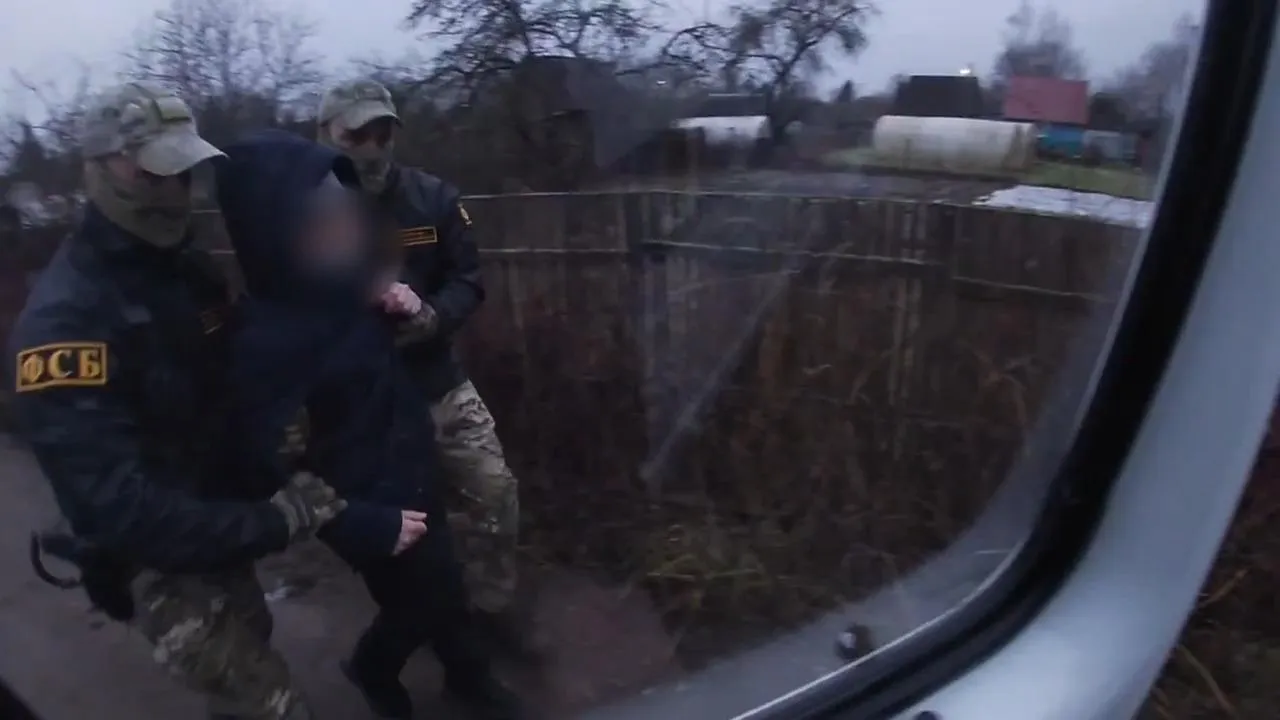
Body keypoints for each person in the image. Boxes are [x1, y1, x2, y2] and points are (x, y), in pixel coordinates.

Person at [7, 82, 348, 720]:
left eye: (185, 172)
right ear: (100, 169)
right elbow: (118, 508)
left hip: (215, 516)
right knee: (270, 705)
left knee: (251, 637)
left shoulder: (187, 269)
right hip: (150, 558)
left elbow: (224, 381)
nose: (176, 192)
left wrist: (281, 423)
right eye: (153, 173)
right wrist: (278, 519)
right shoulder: (66, 325)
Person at [213, 129, 524, 720]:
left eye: (344, 211)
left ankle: (468, 678)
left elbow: (426, 318)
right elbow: (271, 467)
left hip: (412, 471)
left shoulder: (347, 289)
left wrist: (406, 305)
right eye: (323, 218)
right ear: (276, 230)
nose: (347, 228)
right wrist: (361, 523)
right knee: (418, 603)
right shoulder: (265, 344)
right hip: (368, 506)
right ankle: (375, 669)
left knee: (445, 587)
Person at [316, 78, 534, 655]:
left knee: (495, 493)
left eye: (382, 131)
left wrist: (430, 314)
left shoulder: (432, 197)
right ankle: (421, 629)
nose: (372, 145)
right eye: (356, 134)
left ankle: (490, 611)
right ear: (325, 134)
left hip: (437, 380)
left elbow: (469, 279)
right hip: (364, 403)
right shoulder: (306, 214)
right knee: (404, 524)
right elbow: (285, 307)